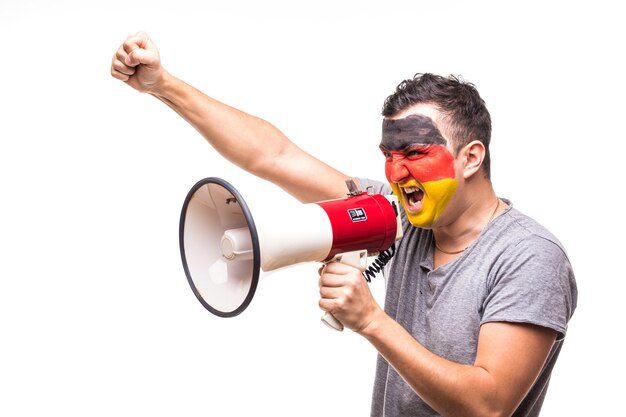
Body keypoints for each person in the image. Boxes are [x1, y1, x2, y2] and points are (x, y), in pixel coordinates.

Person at [111, 32, 577, 417]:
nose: (396, 174)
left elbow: (488, 405)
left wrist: (372, 321)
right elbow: (275, 156)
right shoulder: (398, 215)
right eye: (388, 157)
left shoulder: (529, 256)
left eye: (414, 153)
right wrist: (162, 85)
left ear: (471, 157)